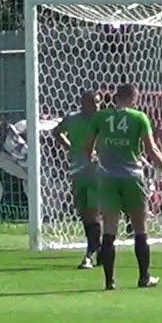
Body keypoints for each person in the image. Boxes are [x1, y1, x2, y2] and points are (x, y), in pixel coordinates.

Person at [89, 83, 162, 290]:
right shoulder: (139, 117)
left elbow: (88, 148)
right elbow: (152, 150)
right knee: (140, 227)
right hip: (132, 177)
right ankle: (143, 277)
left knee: (109, 228)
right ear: (133, 98)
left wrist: (95, 157)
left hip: (107, 178)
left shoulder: (100, 117)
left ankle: (109, 281)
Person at [53, 90, 104, 269]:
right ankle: (99, 249)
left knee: (93, 212)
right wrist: (71, 147)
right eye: (93, 102)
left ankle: (89, 254)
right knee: (85, 214)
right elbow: (56, 132)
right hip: (77, 172)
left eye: (98, 102)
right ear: (83, 103)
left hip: (97, 172)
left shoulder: (102, 121)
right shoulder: (72, 119)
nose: (96, 106)